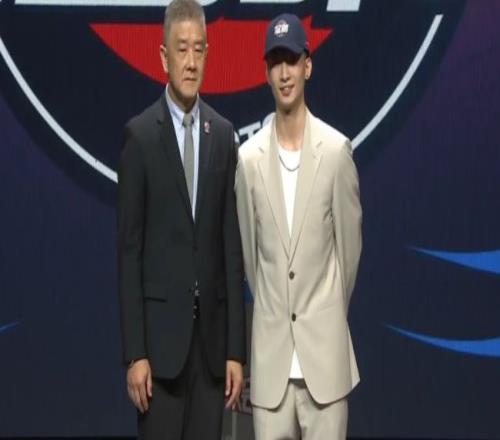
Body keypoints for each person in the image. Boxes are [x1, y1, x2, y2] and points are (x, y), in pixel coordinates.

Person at [117, 1, 245, 439]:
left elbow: (230, 249)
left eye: (199, 49)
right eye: (182, 49)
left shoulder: (223, 135)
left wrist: (235, 351)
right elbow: (129, 252)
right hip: (159, 354)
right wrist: (135, 354)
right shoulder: (140, 137)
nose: (191, 62)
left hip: (210, 353)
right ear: (163, 56)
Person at [235, 13, 362, 440]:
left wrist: (323, 317)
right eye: (276, 62)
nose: (284, 73)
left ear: (308, 65)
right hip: (271, 370)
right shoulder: (248, 161)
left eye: (291, 60)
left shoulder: (336, 152)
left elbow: (349, 254)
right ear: (266, 73)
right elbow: (252, 262)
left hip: (324, 365)